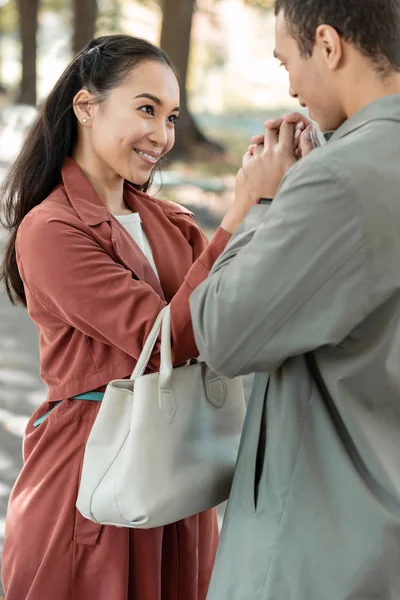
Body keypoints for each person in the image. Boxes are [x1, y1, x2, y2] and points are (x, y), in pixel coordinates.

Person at [0, 35, 255, 600]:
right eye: (146, 109)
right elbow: (165, 338)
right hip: (93, 476)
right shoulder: (50, 230)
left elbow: (230, 314)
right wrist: (237, 212)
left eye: (171, 117)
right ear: (87, 108)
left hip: (179, 470)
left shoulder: (172, 222)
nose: (162, 136)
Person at [189, 1, 400, 598]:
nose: (290, 87)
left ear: (329, 46)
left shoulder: (338, 178)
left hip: (319, 550)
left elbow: (224, 333)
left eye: (289, 62)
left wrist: (261, 202)